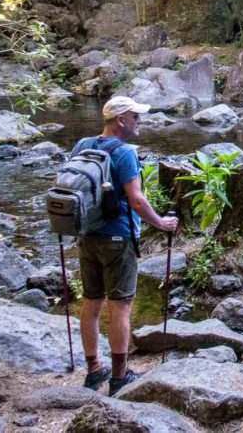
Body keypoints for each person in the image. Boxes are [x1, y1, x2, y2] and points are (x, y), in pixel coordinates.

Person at [73, 95, 178, 396]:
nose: (139, 121)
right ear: (121, 120)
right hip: (117, 239)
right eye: (135, 116)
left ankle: (94, 368)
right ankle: (119, 376)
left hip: (86, 235)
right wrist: (161, 223)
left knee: (91, 302)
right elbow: (137, 200)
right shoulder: (124, 153)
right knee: (120, 307)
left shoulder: (82, 145)